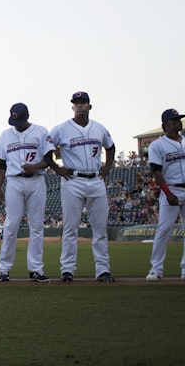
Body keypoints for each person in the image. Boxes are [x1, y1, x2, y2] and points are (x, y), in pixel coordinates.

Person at [46, 91, 116, 283]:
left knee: (100, 229)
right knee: (70, 228)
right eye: (76, 103)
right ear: (72, 107)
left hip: (96, 180)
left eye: (83, 102)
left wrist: (107, 167)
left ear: (89, 106)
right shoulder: (61, 129)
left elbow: (110, 147)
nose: (79, 105)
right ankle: (67, 270)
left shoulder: (99, 128)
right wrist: (56, 168)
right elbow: (46, 149)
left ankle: (102, 270)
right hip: (72, 180)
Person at [0, 102, 54, 283]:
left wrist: (34, 166)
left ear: (27, 116)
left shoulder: (41, 131)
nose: (17, 124)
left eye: (20, 120)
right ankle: (4, 269)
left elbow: (49, 160)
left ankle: (35, 269)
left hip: (36, 180)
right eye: (14, 120)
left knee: (36, 226)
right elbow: (2, 164)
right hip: (14, 181)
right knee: (11, 225)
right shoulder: (5, 135)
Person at [146, 109, 185, 280]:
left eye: (179, 119)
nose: (178, 122)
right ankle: (156, 269)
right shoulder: (157, 145)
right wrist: (168, 193)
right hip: (171, 188)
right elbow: (156, 171)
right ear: (165, 125)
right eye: (174, 120)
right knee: (164, 229)